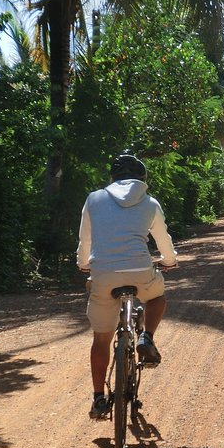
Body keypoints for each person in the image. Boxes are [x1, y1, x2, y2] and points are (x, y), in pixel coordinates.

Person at [77, 151, 178, 420]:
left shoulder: (94, 198)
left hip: (103, 274)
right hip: (140, 270)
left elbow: (85, 239)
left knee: (101, 338)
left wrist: (83, 263)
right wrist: (169, 260)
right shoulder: (149, 202)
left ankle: (99, 398)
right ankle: (147, 337)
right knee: (157, 297)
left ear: (112, 178)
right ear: (142, 179)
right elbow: (162, 239)